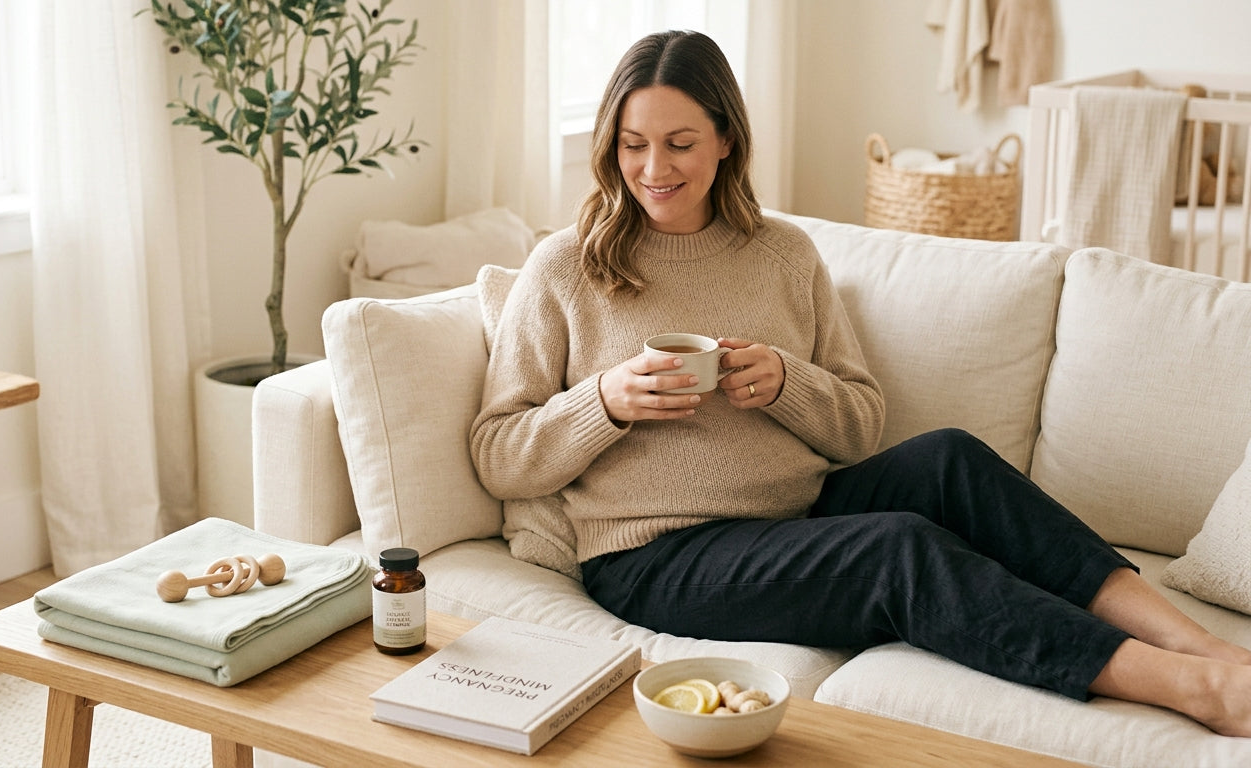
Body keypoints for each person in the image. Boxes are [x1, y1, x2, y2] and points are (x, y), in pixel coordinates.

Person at [469, 29, 1251, 736]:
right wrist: (604, 403)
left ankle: (1203, 644)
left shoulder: (783, 254)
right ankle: (1191, 688)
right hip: (655, 558)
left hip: (794, 515)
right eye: (633, 144)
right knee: (897, 549)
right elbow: (499, 454)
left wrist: (786, 383)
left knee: (950, 457)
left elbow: (860, 428)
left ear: (725, 140)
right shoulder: (566, 268)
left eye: (678, 143)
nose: (652, 168)